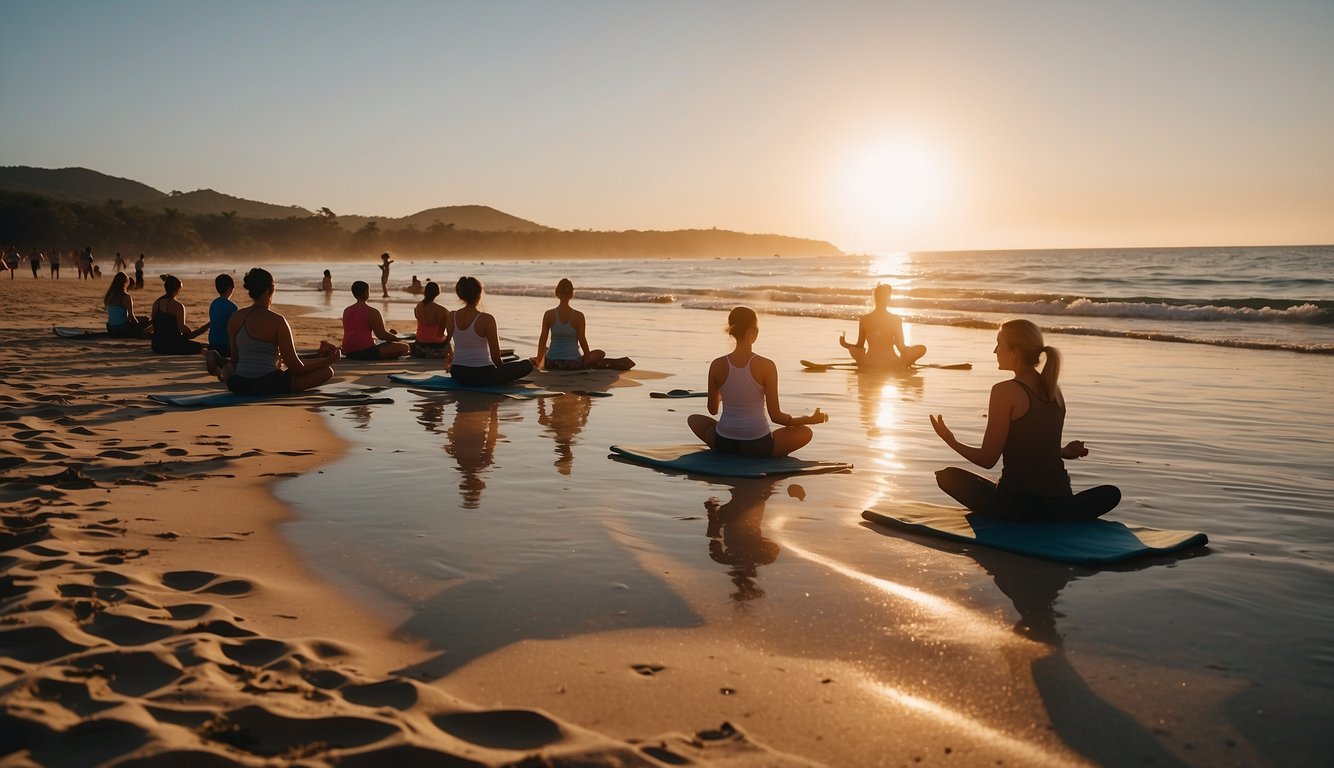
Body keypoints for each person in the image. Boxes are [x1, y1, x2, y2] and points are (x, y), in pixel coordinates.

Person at [929, 318, 1121, 521]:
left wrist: (950, 440)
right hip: (1060, 503)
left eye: (999, 344)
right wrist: (1064, 452)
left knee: (948, 476)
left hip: (1015, 506)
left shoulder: (1005, 391)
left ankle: (1030, 515)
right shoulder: (1054, 391)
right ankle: (1063, 514)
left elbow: (987, 460)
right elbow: (1033, 446)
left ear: (1015, 352)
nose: (995, 351)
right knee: (1111, 493)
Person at [688, 306, 828, 458]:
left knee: (694, 419)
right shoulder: (767, 366)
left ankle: (730, 447)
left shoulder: (717, 364)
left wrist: (727, 391)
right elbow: (776, 416)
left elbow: (713, 410)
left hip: (724, 443)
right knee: (805, 432)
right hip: (759, 446)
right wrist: (810, 419)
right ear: (751, 333)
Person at [205, 268, 341, 394]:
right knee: (326, 371)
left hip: (240, 385)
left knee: (229, 368)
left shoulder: (235, 318)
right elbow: (295, 367)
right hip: (271, 384)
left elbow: (235, 359)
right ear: (271, 289)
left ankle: (219, 362)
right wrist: (329, 360)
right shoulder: (278, 321)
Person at [447, 276, 534, 386]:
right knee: (528, 365)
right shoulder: (487, 319)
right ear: (479, 294)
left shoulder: (451, 316)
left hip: (458, 373)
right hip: (483, 375)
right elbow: (496, 358)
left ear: (460, 294)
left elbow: (447, 344)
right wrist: (504, 374)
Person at [534, 278, 634, 370]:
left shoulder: (548, 314)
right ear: (571, 294)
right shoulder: (579, 316)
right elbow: (582, 339)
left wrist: (539, 359)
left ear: (557, 293)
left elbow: (543, 339)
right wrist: (587, 359)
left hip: (551, 363)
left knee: (546, 349)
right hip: (573, 363)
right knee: (600, 353)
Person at [839, 283, 926, 369]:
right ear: (888, 299)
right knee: (922, 348)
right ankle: (905, 364)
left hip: (869, 362)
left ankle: (905, 363)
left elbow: (859, 346)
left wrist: (845, 344)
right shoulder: (895, 319)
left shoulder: (864, 319)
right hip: (890, 363)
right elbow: (901, 348)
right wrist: (909, 354)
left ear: (874, 298)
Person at [341, 280, 410, 359]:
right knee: (405, 347)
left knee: (379, 342)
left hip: (348, 350)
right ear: (366, 292)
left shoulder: (346, 311)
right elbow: (381, 335)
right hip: (366, 351)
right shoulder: (372, 311)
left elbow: (357, 331)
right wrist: (395, 338)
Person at [150, 274, 210, 355]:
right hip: (171, 345)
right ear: (177, 289)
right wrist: (191, 331)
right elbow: (182, 327)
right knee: (200, 346)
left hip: (156, 345)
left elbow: (155, 323)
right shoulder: (178, 306)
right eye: (179, 290)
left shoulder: (156, 303)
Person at [103, 272, 151, 337]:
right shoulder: (126, 297)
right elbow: (131, 316)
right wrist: (137, 326)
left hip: (110, 328)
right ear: (126, 282)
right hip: (122, 329)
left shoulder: (110, 295)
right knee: (147, 320)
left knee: (142, 318)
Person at [410, 281, 450, 358]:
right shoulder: (442, 311)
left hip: (419, 345)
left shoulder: (418, 307)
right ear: (437, 293)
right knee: (448, 341)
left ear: (425, 291)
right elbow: (440, 334)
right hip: (436, 346)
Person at [208, 274, 239, 359]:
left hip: (212, 344)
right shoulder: (232, 307)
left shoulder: (213, 304)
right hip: (226, 346)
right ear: (230, 288)